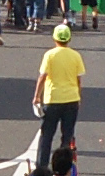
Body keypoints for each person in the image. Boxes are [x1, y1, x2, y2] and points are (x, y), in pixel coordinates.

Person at [34, 23, 87, 165]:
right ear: (69, 39)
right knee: (67, 136)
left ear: (54, 38)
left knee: (46, 136)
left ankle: (42, 167)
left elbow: (43, 76)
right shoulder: (76, 55)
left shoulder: (49, 55)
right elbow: (78, 80)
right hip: (71, 99)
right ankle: (63, 167)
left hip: (53, 99)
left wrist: (36, 96)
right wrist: (79, 97)